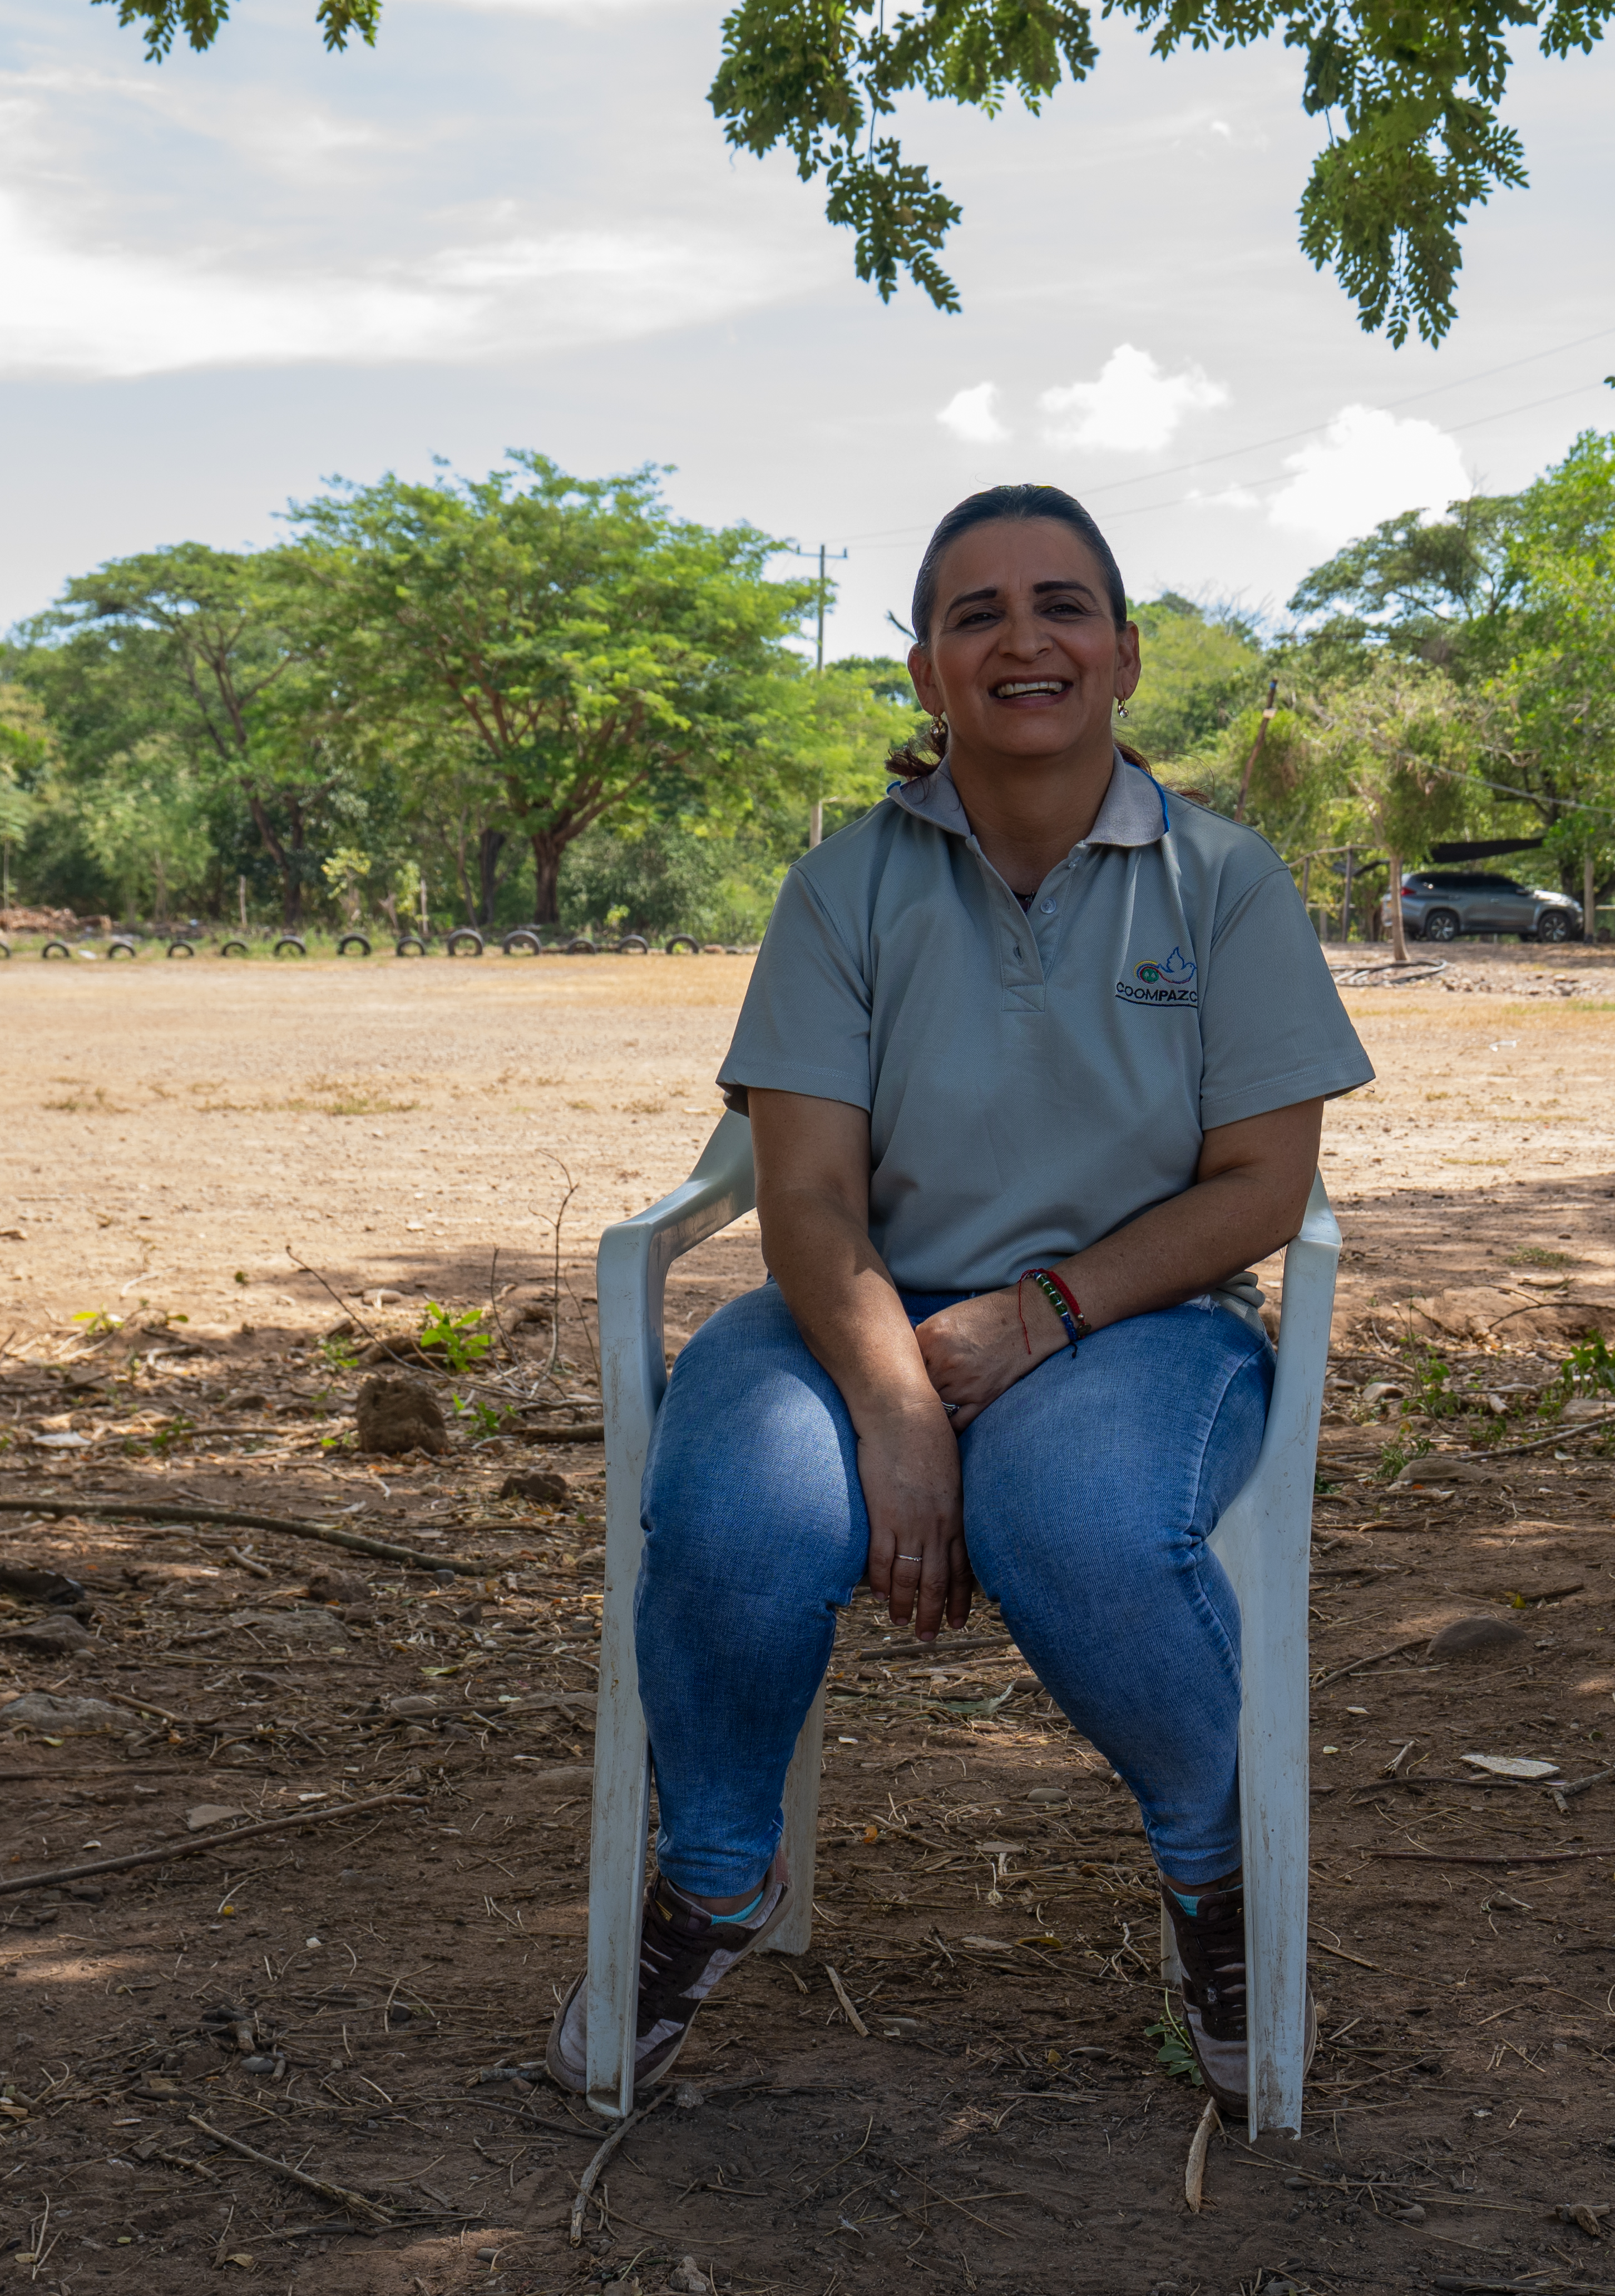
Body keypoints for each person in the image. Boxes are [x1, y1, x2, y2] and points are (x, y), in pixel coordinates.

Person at [545, 484, 1375, 2117]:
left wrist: (1041, 1315)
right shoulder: (843, 890)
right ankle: (717, 1875)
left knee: (1081, 1518)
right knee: (738, 1505)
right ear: (927, 671)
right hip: (856, 1301)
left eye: (1062, 605)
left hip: (1140, 1319)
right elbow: (806, 1200)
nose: (1021, 639)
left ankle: (1216, 1877)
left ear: (1124, 654)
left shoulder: (1224, 884)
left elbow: (1261, 1189)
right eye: (972, 613)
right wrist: (898, 1408)